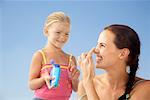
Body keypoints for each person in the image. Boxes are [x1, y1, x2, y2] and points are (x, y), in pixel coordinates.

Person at [77, 24, 150, 100]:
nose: (95, 50)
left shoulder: (145, 88)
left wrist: (88, 83)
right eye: (97, 44)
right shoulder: (83, 85)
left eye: (102, 45)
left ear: (123, 53)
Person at [28, 11, 80, 100]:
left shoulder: (71, 59)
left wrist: (75, 79)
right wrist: (43, 79)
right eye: (58, 32)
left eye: (66, 34)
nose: (63, 37)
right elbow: (31, 85)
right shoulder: (40, 55)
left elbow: (76, 88)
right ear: (46, 31)